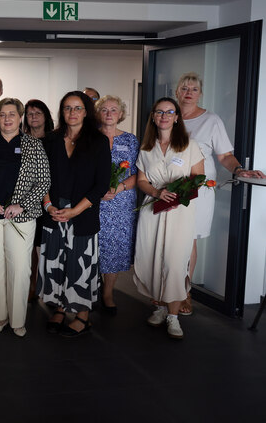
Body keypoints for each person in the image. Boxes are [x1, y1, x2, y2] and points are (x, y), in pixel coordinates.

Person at [175, 72, 266, 315]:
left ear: (200, 93)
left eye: (194, 89)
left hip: (197, 189)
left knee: (187, 240)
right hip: (167, 187)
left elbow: (224, 156)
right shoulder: (167, 116)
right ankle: (164, 292)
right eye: (184, 88)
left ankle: (184, 292)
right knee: (166, 239)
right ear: (177, 92)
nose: (189, 92)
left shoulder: (211, 120)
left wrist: (240, 170)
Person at [0, 98, 50, 337]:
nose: (7, 119)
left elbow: (44, 181)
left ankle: (17, 319)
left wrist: (21, 205)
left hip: (21, 217)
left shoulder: (33, 145)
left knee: (20, 268)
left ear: (20, 116)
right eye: (3, 114)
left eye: (12, 114)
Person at [37, 91, 110, 337]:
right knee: (55, 263)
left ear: (86, 111)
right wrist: (48, 206)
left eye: (77, 108)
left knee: (81, 265)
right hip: (54, 212)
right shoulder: (50, 140)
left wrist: (75, 211)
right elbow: (41, 179)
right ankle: (58, 308)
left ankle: (82, 315)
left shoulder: (98, 141)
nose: (72, 113)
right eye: (67, 108)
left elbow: (101, 184)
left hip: (83, 215)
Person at [134, 97, 204, 339]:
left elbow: (198, 178)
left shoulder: (190, 146)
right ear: (153, 117)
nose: (164, 116)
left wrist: (176, 197)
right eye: (159, 112)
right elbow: (142, 180)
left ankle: (174, 317)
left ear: (176, 117)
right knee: (154, 259)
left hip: (179, 214)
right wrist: (156, 192)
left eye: (169, 112)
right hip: (152, 210)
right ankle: (160, 309)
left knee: (174, 262)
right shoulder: (146, 148)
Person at [95, 95, 139, 315]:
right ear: (98, 113)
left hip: (120, 203)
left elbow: (139, 173)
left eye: (114, 109)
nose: (109, 113)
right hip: (92, 202)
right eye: (104, 109)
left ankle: (108, 292)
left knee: (114, 247)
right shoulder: (90, 138)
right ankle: (90, 288)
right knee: (92, 246)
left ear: (121, 114)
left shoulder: (131, 141)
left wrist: (118, 188)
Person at [22, 98, 54, 302]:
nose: (33, 117)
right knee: (30, 244)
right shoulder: (21, 140)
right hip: (27, 201)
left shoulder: (55, 141)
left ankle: (50, 288)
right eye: (30, 114)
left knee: (48, 245)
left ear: (46, 117)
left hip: (50, 200)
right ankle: (33, 284)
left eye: (37, 113)